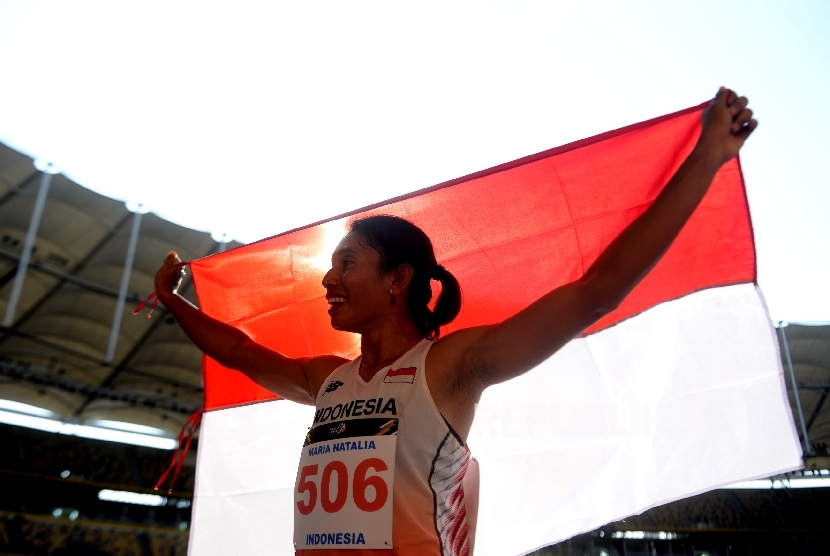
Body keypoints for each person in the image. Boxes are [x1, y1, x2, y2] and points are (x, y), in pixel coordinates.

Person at [155, 87, 756, 556]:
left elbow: (594, 294)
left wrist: (705, 159)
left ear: (398, 280)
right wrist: (174, 301)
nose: (327, 279)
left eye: (347, 264)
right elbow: (239, 351)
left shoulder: (452, 367)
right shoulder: (328, 380)